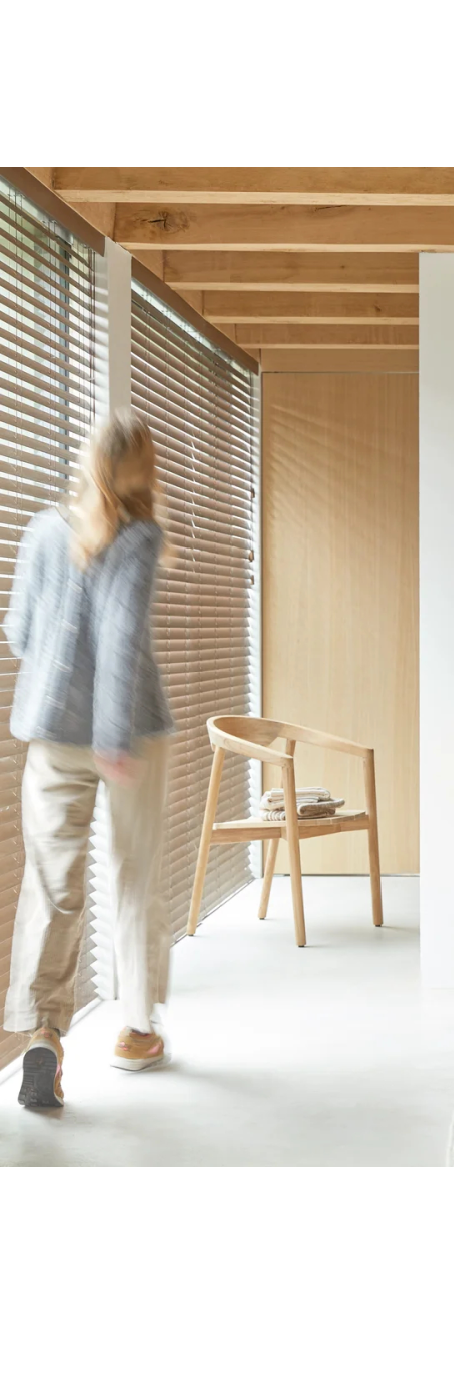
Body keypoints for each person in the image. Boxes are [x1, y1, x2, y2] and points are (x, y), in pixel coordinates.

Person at [3, 409, 175, 1107]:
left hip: (49, 732)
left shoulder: (44, 530)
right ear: (144, 472)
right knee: (134, 876)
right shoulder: (139, 539)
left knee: (52, 882)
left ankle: (42, 1031)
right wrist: (112, 739)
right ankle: (136, 1029)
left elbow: (17, 633)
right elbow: (122, 637)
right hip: (126, 734)